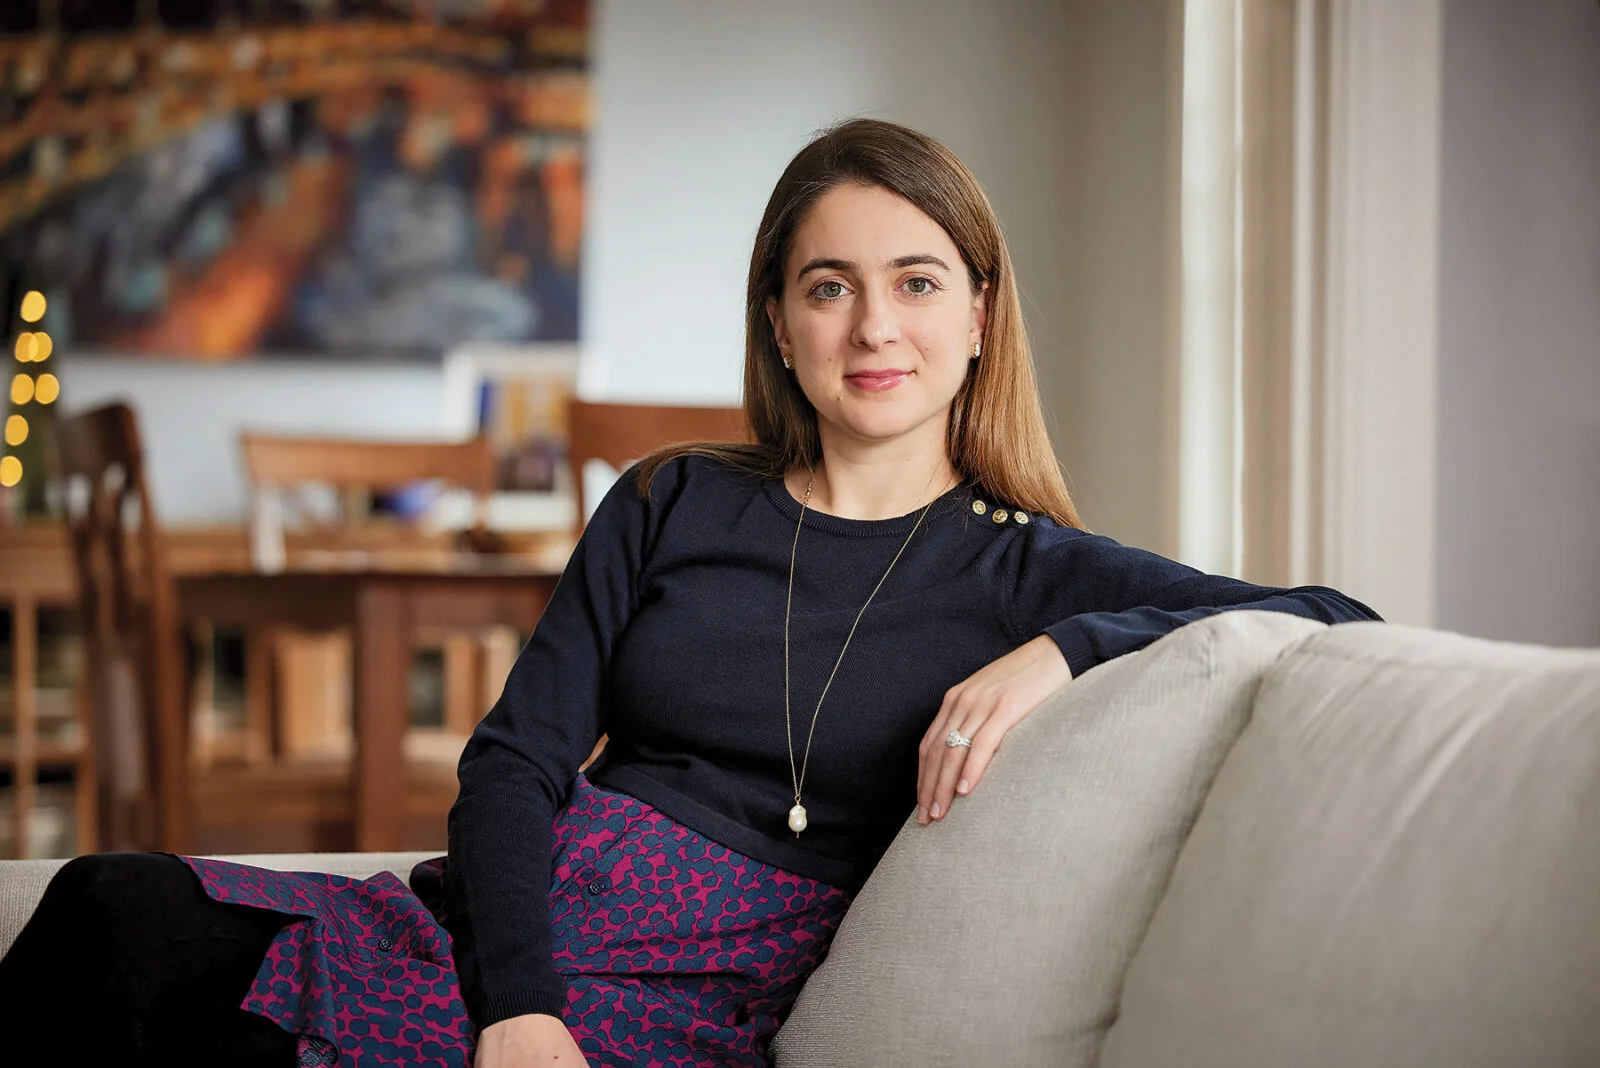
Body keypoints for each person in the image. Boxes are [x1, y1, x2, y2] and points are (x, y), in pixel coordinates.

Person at [0, 118, 1379, 1068]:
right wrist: (519, 1007)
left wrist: (1067, 649)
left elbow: (1332, 615)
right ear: (780, 322)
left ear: (976, 315)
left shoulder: (1029, 567)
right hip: (505, 934)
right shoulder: (671, 498)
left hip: (687, 999)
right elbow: (510, 762)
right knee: (106, 907)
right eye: (827, 286)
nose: (872, 325)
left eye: (915, 282)